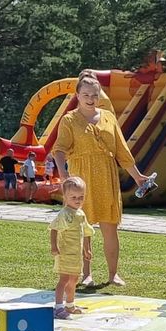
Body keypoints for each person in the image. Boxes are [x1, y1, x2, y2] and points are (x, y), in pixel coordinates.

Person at [52, 70, 151, 287]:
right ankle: (86, 274)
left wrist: (138, 177)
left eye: (94, 95)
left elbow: (122, 153)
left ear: (100, 96)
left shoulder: (109, 118)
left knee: (110, 227)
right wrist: (64, 176)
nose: (90, 99)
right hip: (81, 178)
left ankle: (113, 274)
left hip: (107, 177)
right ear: (78, 95)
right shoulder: (69, 120)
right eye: (86, 94)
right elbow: (58, 150)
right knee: (82, 229)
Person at [50, 176, 94, 319]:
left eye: (81, 197)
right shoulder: (64, 213)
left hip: (76, 255)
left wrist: (86, 249)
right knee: (64, 279)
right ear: (65, 197)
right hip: (65, 253)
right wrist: (54, 246)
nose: (77, 200)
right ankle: (58, 306)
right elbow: (54, 229)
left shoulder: (80, 214)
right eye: (73, 197)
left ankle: (70, 304)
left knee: (74, 280)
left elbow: (87, 232)